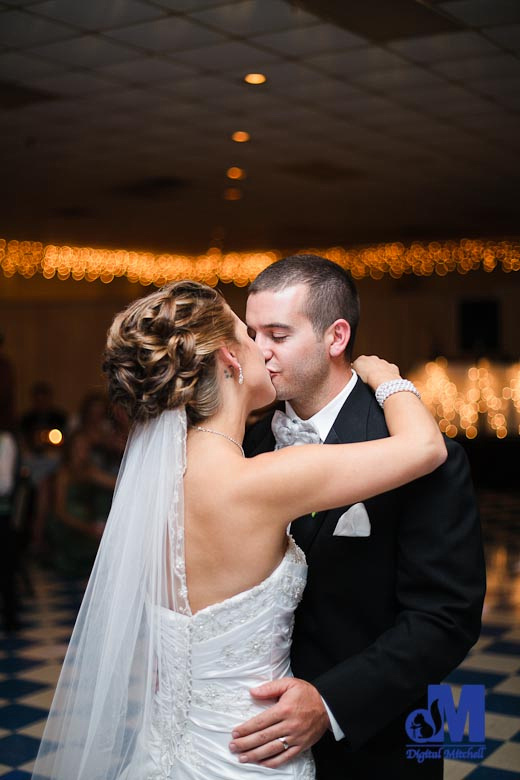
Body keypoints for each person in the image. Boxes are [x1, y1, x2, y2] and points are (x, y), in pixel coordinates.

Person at [31, 280, 446, 780]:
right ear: (230, 359)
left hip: (166, 748)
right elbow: (426, 448)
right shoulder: (263, 479)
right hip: (253, 755)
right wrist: (389, 379)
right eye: (251, 337)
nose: (264, 351)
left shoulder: (152, 487)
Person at [231, 255, 486, 779]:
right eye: (252, 333)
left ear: (336, 336)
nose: (259, 352)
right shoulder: (245, 446)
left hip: (381, 737)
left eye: (277, 334)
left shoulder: (416, 449)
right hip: (258, 737)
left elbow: (446, 617)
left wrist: (329, 702)